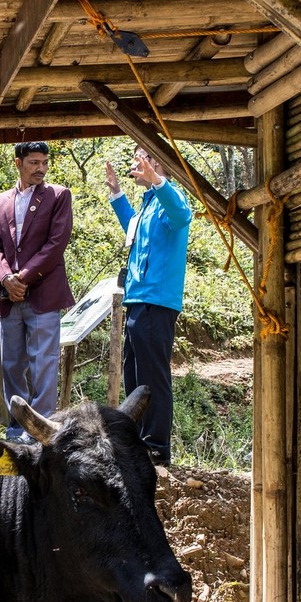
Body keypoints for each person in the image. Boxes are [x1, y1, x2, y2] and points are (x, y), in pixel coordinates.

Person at [106, 148, 192, 466]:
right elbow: (132, 227)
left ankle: (157, 446)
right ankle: (135, 441)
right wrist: (117, 194)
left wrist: (158, 181)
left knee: (153, 376)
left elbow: (183, 215)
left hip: (158, 301)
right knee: (134, 373)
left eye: (141, 159)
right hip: (136, 299)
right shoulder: (147, 205)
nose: (133, 166)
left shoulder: (171, 198)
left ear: (156, 163)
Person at [0, 140, 74, 443]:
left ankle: (40, 430)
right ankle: (16, 427)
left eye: (44, 162)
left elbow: (56, 243)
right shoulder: (0, 202)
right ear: (18, 163)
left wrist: (21, 277)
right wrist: (5, 278)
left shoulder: (58, 196)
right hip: (9, 296)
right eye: (34, 162)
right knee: (11, 364)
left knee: (43, 364)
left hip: (42, 292)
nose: (40, 168)